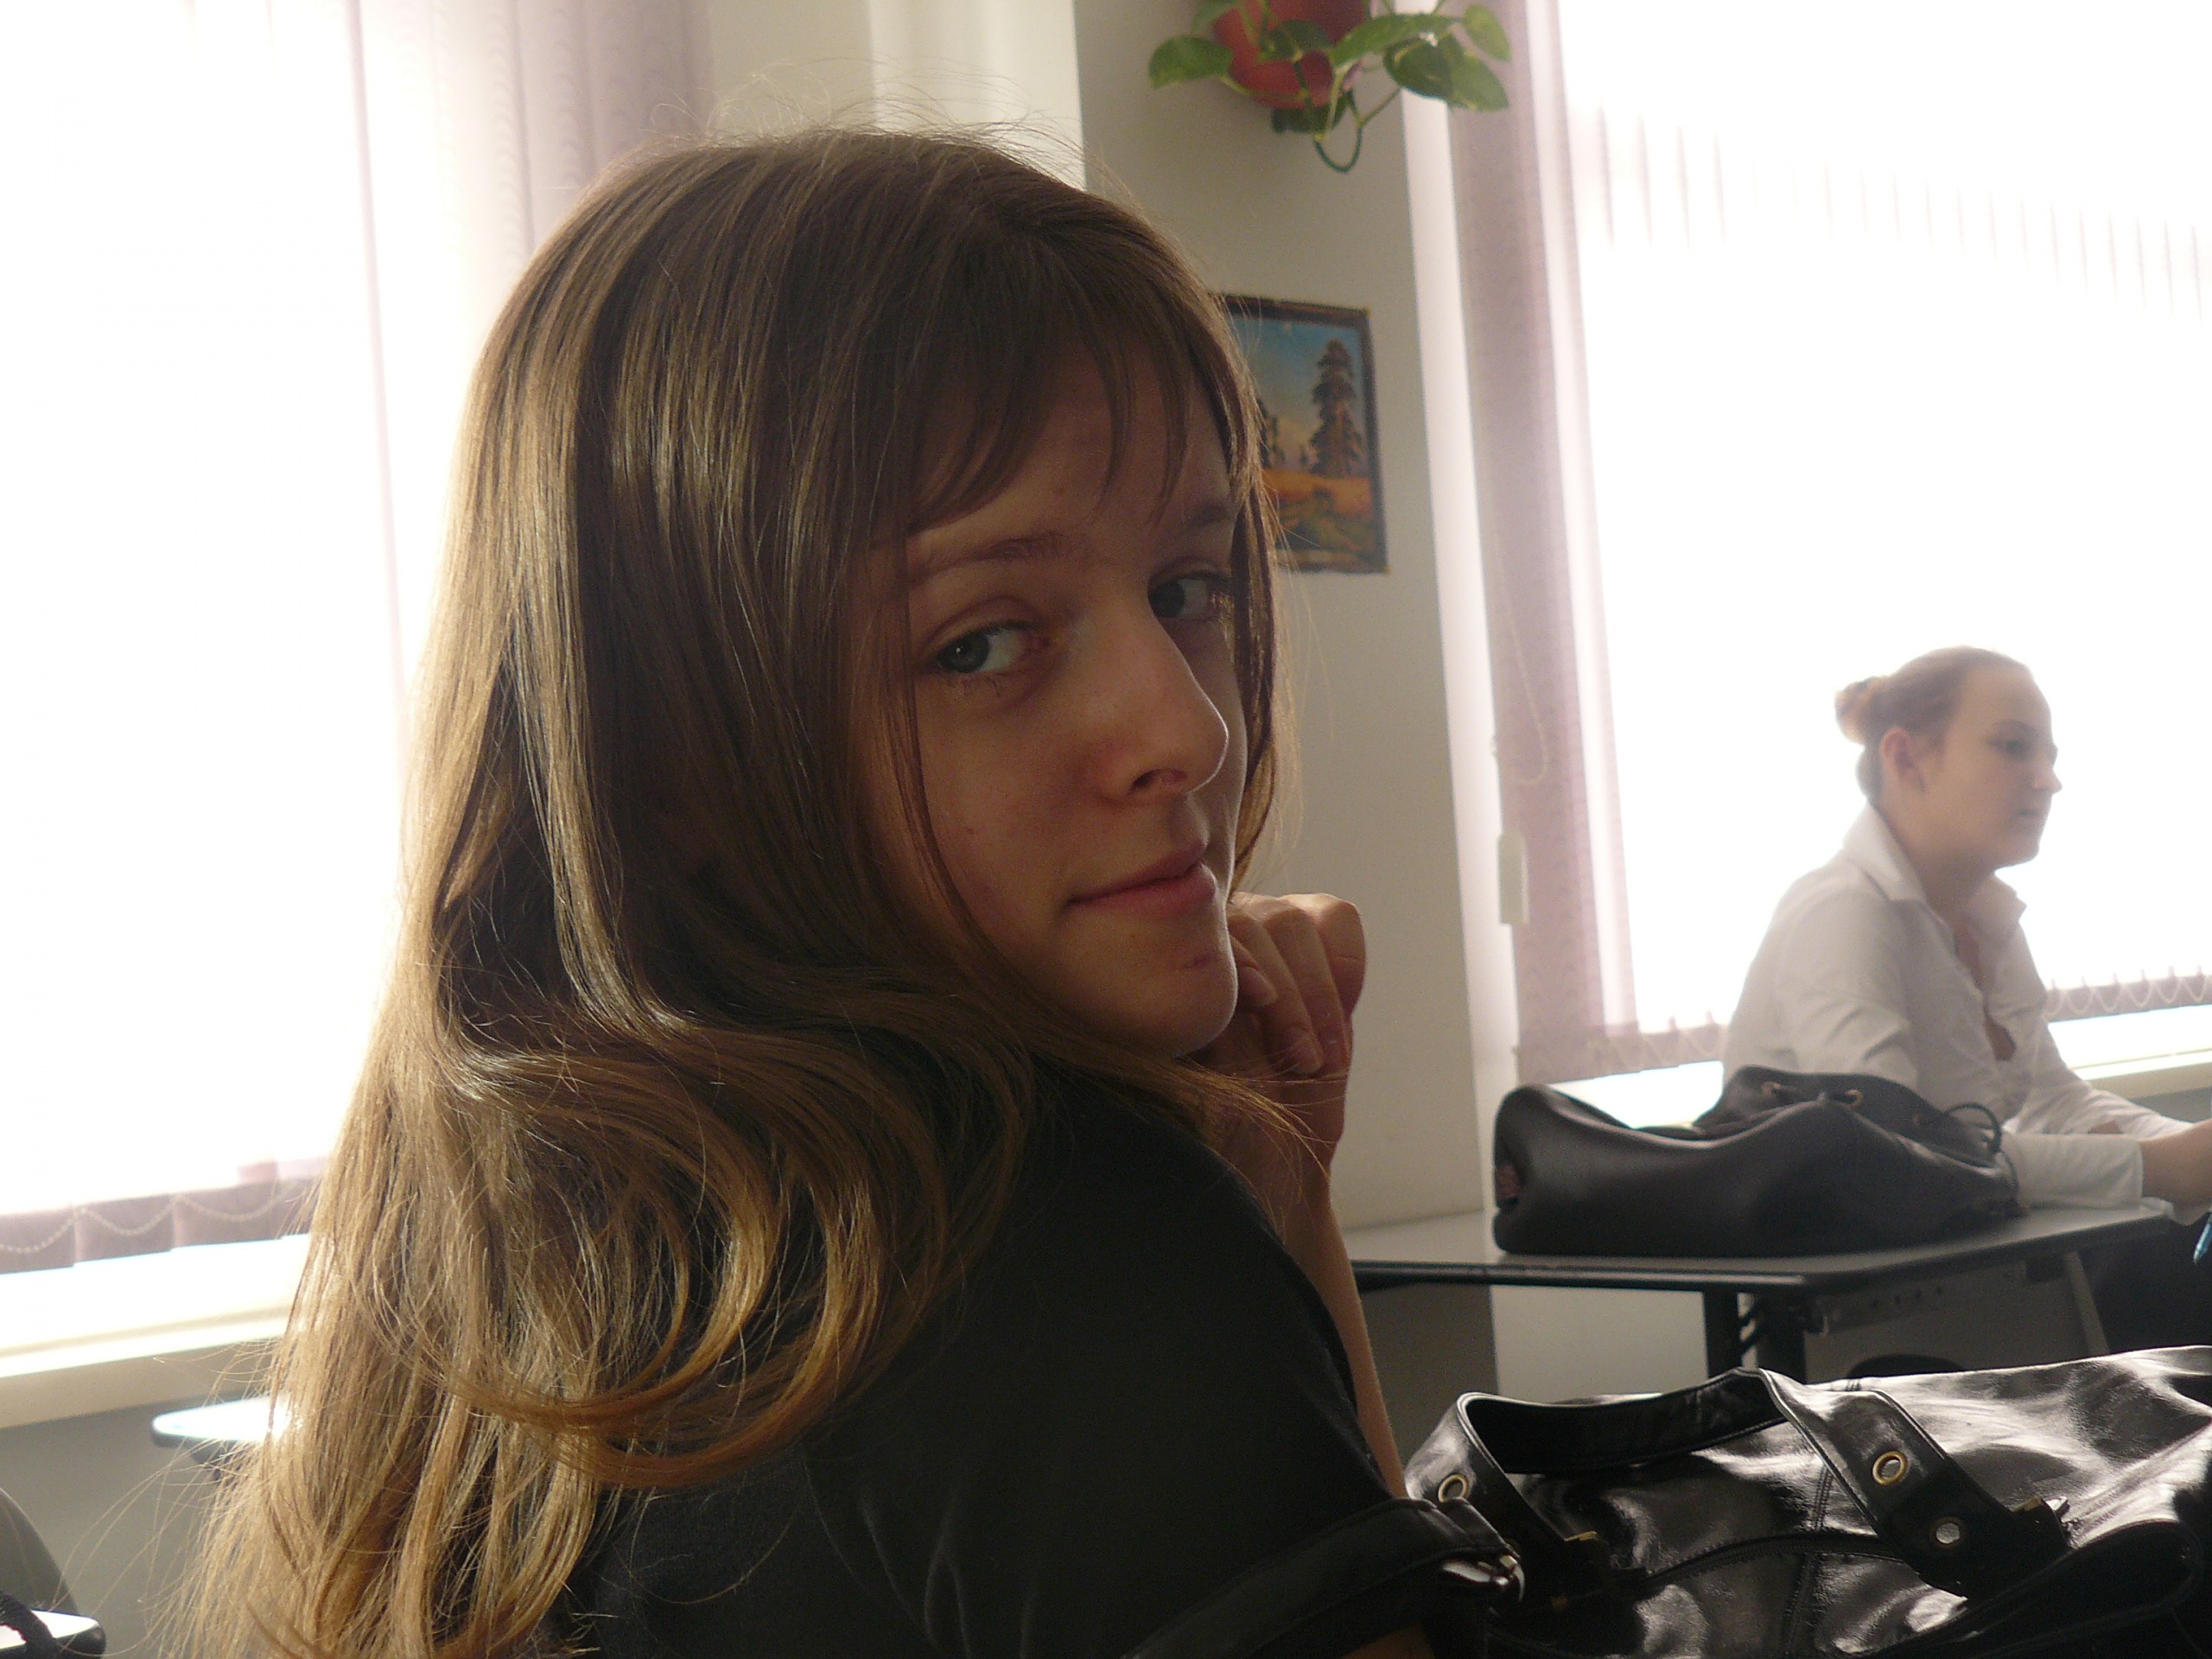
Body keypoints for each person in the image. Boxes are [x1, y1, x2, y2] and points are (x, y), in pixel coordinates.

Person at [188, 130, 1501, 1659]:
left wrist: (1278, 1188)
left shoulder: (529, 1243)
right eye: (979, 644)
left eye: (1186, 589)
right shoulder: (1060, 1246)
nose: (1188, 729)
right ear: (665, 762)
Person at [1725, 645, 2212, 1347]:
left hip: (1992, 1285)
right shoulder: (1842, 913)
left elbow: (2056, 1101)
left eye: (2049, 755)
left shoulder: (1987, 919)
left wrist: (2187, 1148)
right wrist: (2158, 1165)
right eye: (2014, 747)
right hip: (1869, 1332)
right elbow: (1904, 1160)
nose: (2048, 780)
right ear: (1905, 758)